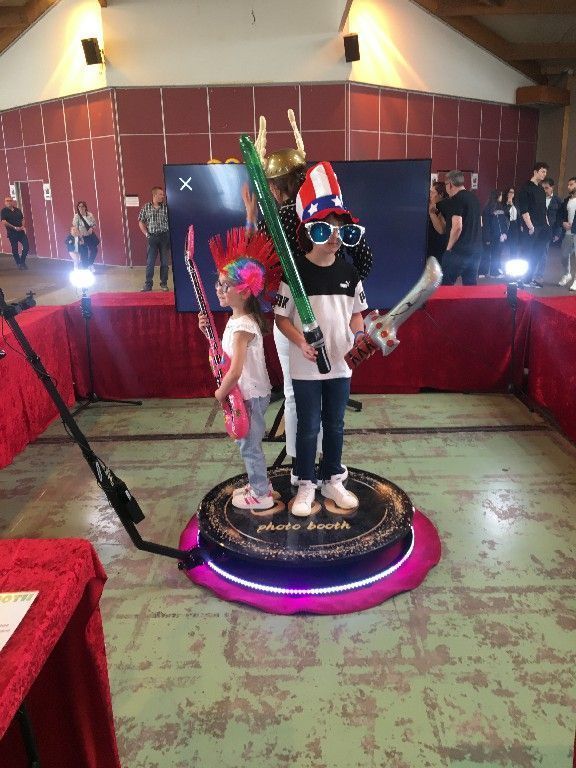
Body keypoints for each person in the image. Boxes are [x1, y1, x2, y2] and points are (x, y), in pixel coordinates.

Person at [244, 111, 373, 486]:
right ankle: (322, 465)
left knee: (295, 392)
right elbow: (365, 261)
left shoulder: (275, 218)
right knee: (328, 400)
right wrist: (341, 286)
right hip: (331, 312)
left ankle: (302, 464)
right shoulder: (333, 218)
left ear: (275, 186)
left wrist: (252, 217)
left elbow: (255, 266)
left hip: (292, 315)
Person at [274, 161, 368, 517]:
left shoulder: (350, 272)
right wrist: (300, 342)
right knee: (309, 425)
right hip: (306, 367)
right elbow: (281, 318)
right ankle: (305, 482)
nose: (333, 237)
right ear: (310, 230)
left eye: (340, 230)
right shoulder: (295, 273)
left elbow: (357, 313)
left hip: (341, 364)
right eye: (325, 229)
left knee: (335, 424)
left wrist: (359, 336)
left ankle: (332, 478)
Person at [199, 228, 281, 511]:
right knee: (247, 442)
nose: (219, 290)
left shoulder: (243, 326)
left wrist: (220, 393)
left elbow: (234, 371)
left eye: (225, 286)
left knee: (249, 445)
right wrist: (206, 332)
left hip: (249, 395)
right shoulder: (237, 321)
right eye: (219, 284)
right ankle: (260, 484)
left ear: (244, 292)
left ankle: (261, 494)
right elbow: (223, 357)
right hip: (247, 394)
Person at [430, 170, 482, 286]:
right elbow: (480, 223)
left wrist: (448, 249)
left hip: (459, 251)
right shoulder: (474, 198)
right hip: (476, 250)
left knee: (446, 285)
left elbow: (457, 227)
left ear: (450, 184)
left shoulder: (456, 199)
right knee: (470, 286)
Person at [517, 161, 549, 287]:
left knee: (537, 254)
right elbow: (524, 210)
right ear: (535, 172)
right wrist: (530, 227)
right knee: (527, 253)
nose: (544, 174)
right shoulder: (526, 188)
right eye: (542, 171)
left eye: (545, 172)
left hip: (543, 227)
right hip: (532, 227)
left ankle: (529, 279)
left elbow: (543, 210)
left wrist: (547, 224)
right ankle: (521, 279)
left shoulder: (541, 189)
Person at [138, 186, 170, 292]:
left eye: (163, 194)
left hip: (164, 237)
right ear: (154, 195)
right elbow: (141, 221)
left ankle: (164, 284)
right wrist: (146, 234)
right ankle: (148, 285)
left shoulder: (166, 208)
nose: (163, 196)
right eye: (160, 194)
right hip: (152, 237)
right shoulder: (146, 207)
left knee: (165, 262)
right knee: (150, 262)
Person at [480, 190, 508, 277]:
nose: (502, 197)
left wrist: (504, 233)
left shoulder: (497, 207)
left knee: (493, 254)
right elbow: (489, 224)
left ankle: (490, 272)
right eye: (501, 195)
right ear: (497, 196)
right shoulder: (491, 208)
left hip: (496, 236)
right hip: (493, 235)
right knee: (490, 254)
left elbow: (502, 222)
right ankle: (486, 272)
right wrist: (487, 237)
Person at [557, 176, 576, 289]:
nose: (568, 187)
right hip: (568, 233)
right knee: (564, 255)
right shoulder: (566, 201)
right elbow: (560, 215)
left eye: (571, 184)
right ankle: (567, 274)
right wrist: (563, 223)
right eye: (568, 185)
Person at [1, 196, 29, 270]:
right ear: (5, 202)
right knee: (15, 249)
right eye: (7, 201)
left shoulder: (18, 210)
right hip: (12, 233)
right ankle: (18, 263)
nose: (9, 202)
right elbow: (4, 222)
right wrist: (14, 227)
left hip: (21, 232)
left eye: (10, 200)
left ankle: (22, 262)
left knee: (26, 247)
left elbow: (22, 219)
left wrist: (22, 226)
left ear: (12, 201)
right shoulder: (4, 211)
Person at [72, 201, 99, 271]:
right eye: (79, 206)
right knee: (84, 253)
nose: (81, 208)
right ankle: (85, 268)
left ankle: (90, 264)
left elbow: (94, 224)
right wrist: (80, 238)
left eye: (82, 206)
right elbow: (75, 228)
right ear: (78, 208)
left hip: (90, 236)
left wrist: (91, 228)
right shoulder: (76, 216)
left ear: (85, 207)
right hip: (82, 237)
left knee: (94, 250)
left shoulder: (90, 215)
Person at [427, 181, 449, 262]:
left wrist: (432, 213)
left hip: (437, 249)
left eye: (432, 193)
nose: (430, 195)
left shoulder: (443, 207)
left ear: (441, 194)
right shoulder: (435, 206)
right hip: (432, 247)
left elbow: (441, 230)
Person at [504, 186, 519, 259]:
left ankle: (513, 259)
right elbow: (505, 213)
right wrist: (509, 204)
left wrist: (512, 204)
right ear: (507, 193)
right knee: (505, 245)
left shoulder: (516, 203)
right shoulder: (503, 203)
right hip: (507, 225)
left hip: (514, 225)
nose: (511, 194)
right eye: (510, 192)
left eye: (513, 192)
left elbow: (518, 214)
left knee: (514, 245)